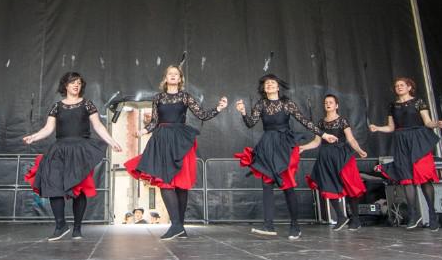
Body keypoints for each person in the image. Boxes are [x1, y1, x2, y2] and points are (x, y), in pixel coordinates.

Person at [125, 65, 227, 239]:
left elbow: (202, 115)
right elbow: (154, 122)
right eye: (170, 74)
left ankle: (179, 227)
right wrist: (142, 131)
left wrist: (218, 108)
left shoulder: (185, 96)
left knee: (180, 185)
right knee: (165, 181)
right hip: (162, 140)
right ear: (165, 78)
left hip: (180, 140)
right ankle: (176, 225)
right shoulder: (158, 98)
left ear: (180, 79)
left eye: (176, 74)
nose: (173, 76)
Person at [234, 74, 337, 240]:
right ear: (264, 88)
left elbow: (305, 121)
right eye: (267, 83)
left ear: (278, 87)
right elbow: (250, 123)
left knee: (287, 185)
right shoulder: (261, 104)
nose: (269, 85)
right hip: (268, 145)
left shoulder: (287, 103)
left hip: (284, 145)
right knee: (267, 184)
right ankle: (268, 225)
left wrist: (324, 135)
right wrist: (243, 112)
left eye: (272, 83)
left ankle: (295, 226)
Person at [23, 72, 122, 241]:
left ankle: (77, 228)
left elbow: (98, 126)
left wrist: (111, 141)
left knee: (78, 188)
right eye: (72, 82)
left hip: (80, 150)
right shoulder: (57, 106)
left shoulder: (87, 104)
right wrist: (34, 136)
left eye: (79, 83)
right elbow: (48, 129)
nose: (76, 85)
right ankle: (60, 225)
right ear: (66, 86)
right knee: (53, 185)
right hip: (60, 149)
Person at [369, 77, 442, 230]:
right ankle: (413, 215)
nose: (399, 87)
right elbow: (391, 127)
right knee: (406, 178)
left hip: (418, 139)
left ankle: (432, 214)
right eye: (396, 85)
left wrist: (436, 124)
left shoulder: (418, 102)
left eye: (402, 85)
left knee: (424, 177)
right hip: (401, 141)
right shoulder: (393, 105)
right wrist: (378, 128)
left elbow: (427, 122)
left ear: (409, 87)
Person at [301, 94, 368, 231]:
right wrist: (303, 147)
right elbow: (316, 142)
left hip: (342, 155)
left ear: (336, 105)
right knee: (328, 185)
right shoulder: (320, 123)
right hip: (326, 157)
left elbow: (351, 139)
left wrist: (359, 150)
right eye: (326, 102)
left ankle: (356, 219)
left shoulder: (342, 121)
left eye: (331, 102)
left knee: (350, 185)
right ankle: (341, 217)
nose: (328, 104)